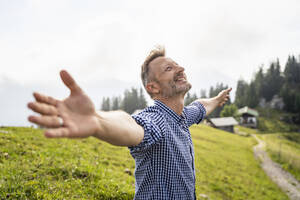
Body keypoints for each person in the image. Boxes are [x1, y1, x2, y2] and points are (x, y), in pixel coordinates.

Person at [27, 46, 231, 199]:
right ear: (153, 88)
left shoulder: (183, 117)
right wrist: (97, 121)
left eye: (178, 65)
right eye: (170, 68)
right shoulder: (155, 119)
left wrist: (217, 99)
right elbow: (133, 127)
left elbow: (201, 106)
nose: (181, 68)